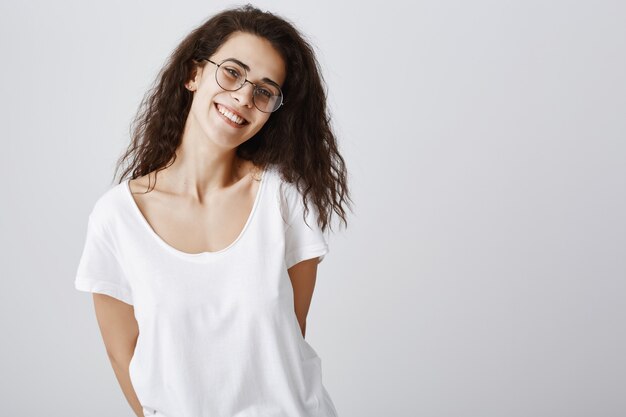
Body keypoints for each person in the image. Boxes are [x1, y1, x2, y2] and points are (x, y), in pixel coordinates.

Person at [73, 4, 352, 417]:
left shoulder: (284, 202)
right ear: (193, 74)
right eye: (232, 72)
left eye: (264, 90)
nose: (243, 97)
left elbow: (285, 344)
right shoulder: (117, 218)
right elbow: (122, 356)